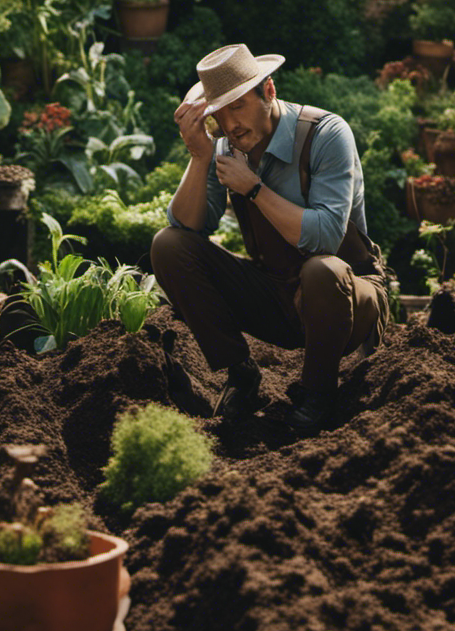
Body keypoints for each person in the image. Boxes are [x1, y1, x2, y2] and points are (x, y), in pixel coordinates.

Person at [150, 43, 392, 432]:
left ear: (269, 91)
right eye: (219, 113)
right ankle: (241, 374)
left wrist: (255, 189)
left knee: (322, 271)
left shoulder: (326, 134)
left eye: (238, 106)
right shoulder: (225, 147)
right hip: (277, 294)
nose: (230, 124)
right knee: (168, 245)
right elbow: (187, 228)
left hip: (347, 300)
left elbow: (327, 239)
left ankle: (318, 393)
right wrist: (200, 157)